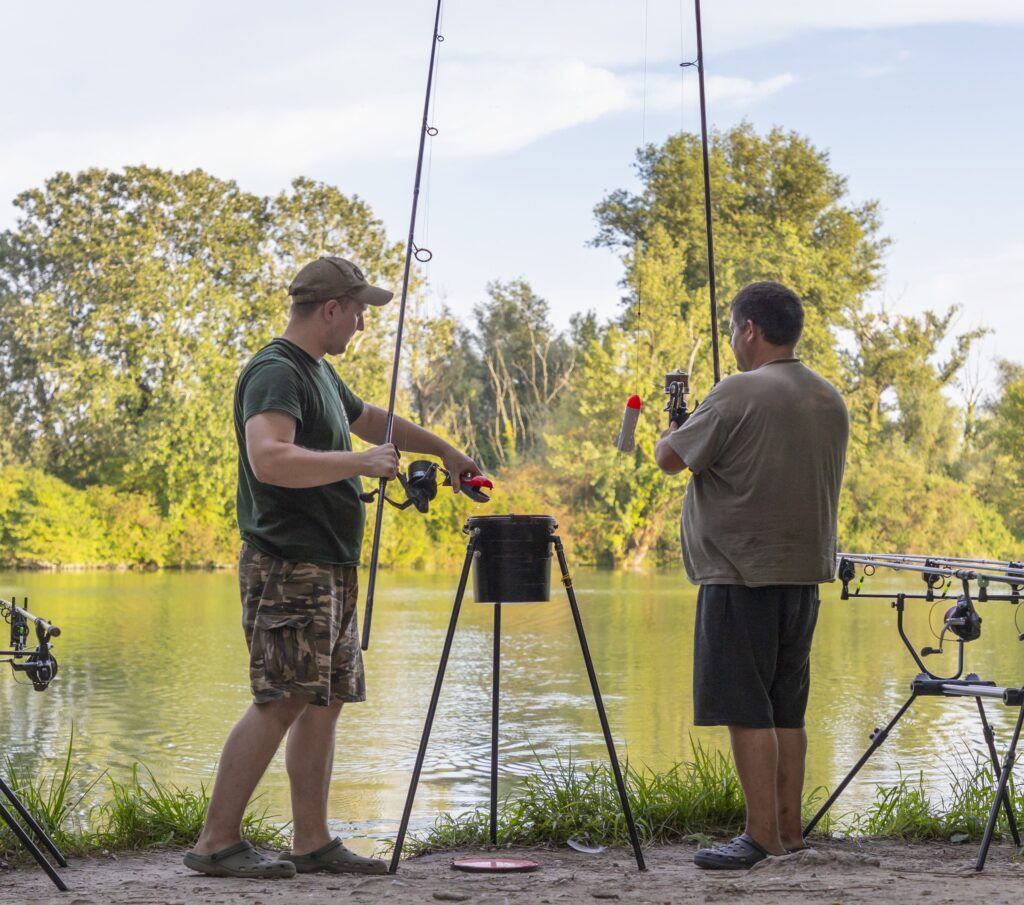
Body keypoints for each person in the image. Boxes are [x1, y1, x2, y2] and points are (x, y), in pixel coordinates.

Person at [184, 256, 482, 879]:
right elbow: (269, 458)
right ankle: (216, 842)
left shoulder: (317, 374)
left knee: (323, 700)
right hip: (289, 563)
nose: (363, 327)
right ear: (330, 310)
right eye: (358, 313)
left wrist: (447, 451)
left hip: (329, 566)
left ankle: (312, 842)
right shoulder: (275, 372)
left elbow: (372, 419)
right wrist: (360, 463)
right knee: (282, 697)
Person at [654, 281, 849, 870]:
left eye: (732, 329)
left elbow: (670, 458)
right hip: (803, 574)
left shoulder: (737, 390)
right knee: (786, 708)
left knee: (746, 708)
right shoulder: (827, 395)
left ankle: (759, 837)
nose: (733, 341)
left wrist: (675, 425)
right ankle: (789, 832)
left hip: (740, 574)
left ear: (749, 330)